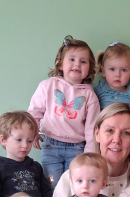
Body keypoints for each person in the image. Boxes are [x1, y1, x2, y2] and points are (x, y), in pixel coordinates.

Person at [28, 35, 101, 186]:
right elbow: (34, 112)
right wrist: (32, 132)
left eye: (83, 61)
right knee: (52, 185)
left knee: (74, 186)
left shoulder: (89, 95)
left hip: (77, 148)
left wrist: (89, 153)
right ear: (60, 64)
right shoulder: (48, 85)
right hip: (50, 145)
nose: (77, 64)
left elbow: (92, 128)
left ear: (89, 68)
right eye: (72, 59)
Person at [93, 41, 130, 109]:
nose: (117, 75)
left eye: (123, 70)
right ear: (104, 71)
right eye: (112, 69)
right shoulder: (99, 88)